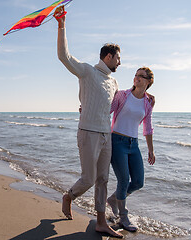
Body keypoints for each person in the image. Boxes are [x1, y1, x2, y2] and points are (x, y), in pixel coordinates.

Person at [54, 6, 123, 238]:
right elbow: (64, 56)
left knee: (103, 179)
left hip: (106, 135)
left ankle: (101, 222)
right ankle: (68, 196)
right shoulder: (87, 72)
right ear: (108, 56)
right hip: (88, 132)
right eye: (118, 58)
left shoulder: (113, 83)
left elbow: (115, 104)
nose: (119, 63)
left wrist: (144, 94)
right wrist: (62, 25)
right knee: (89, 178)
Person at [107, 67, 155, 232]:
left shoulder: (148, 102)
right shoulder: (122, 95)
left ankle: (113, 199)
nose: (136, 78)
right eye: (135, 75)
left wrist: (151, 150)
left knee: (137, 182)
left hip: (133, 144)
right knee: (123, 180)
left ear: (148, 81)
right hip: (117, 141)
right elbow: (107, 110)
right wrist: (87, 111)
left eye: (141, 76)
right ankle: (123, 217)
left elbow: (148, 128)